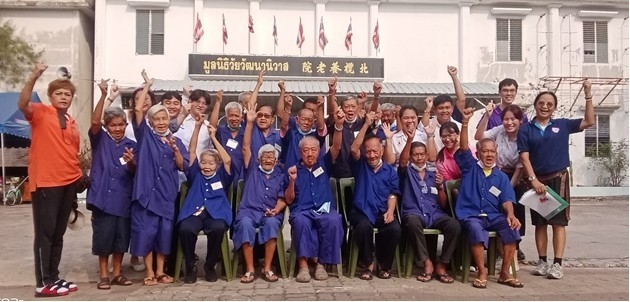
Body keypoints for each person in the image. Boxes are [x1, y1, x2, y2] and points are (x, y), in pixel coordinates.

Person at [518, 81, 595, 280]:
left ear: (554, 107)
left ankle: (558, 264)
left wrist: (588, 95)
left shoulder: (562, 125)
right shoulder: (526, 129)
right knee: (540, 223)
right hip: (537, 183)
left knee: (558, 223)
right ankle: (542, 262)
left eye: (549, 104)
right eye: (541, 103)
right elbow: (524, 157)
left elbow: (589, 121)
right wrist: (533, 181)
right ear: (535, 105)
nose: (545, 106)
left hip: (558, 179)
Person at [19, 63, 81, 297]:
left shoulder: (72, 121)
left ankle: (53, 277)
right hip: (46, 182)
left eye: (67, 94)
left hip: (68, 183)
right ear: (50, 96)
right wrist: (34, 75)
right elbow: (22, 103)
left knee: (58, 234)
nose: (63, 97)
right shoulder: (40, 112)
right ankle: (42, 283)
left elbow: (71, 154)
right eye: (59, 94)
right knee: (44, 234)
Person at [130, 70, 189, 286]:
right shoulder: (145, 136)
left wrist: (175, 150)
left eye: (165, 118)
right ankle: (148, 272)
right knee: (146, 233)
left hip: (166, 194)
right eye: (157, 119)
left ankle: (161, 271)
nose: (162, 122)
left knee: (164, 233)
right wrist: (147, 86)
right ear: (151, 121)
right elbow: (137, 109)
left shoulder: (176, 140)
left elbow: (183, 165)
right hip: (146, 194)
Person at [455, 107, 523, 289]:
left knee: (512, 228)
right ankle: (482, 271)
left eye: (492, 151)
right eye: (485, 151)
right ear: (478, 153)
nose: (489, 155)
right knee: (476, 229)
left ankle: (504, 272)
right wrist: (465, 122)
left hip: (493, 216)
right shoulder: (470, 167)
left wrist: (511, 215)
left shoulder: (500, 176)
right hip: (471, 215)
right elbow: (462, 147)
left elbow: (507, 198)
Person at [87, 79, 137, 290]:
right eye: (113, 125)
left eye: (121, 125)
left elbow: (135, 171)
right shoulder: (100, 140)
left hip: (123, 198)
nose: (117, 129)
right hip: (102, 199)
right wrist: (103, 96)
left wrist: (132, 162)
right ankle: (103, 275)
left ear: (126, 125)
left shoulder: (132, 145)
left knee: (120, 238)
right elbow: (95, 121)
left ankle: (117, 273)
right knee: (103, 238)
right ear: (107, 127)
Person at [398, 123, 460, 284]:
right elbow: (402, 161)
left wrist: (440, 187)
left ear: (426, 155)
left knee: (454, 225)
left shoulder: (434, 174)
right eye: (415, 155)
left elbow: (443, 203)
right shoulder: (406, 172)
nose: (419, 158)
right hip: (414, 212)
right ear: (411, 156)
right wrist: (410, 139)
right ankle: (426, 262)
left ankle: (442, 264)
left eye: (422, 154)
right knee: (411, 222)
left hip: (434, 214)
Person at [284, 118, 345, 283]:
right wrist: (292, 181)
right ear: (300, 152)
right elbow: (289, 200)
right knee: (301, 222)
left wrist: (338, 126)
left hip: (324, 210)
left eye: (313, 150)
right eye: (306, 150)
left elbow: (337, 147)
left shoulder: (324, 164)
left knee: (334, 220)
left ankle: (321, 264)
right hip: (302, 211)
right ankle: (303, 266)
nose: (310, 154)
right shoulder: (293, 170)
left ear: (318, 151)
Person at [232, 102, 287, 284]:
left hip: (269, 212)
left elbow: (282, 198)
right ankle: (249, 269)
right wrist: (249, 123)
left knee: (272, 224)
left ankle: (268, 268)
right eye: (265, 156)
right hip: (249, 210)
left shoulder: (280, 174)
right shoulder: (252, 168)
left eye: (272, 156)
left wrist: (277, 210)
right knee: (246, 225)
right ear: (259, 158)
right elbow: (246, 146)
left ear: (276, 159)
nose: (268, 159)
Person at [177, 115, 233, 284]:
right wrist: (197, 127)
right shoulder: (195, 174)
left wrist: (213, 138)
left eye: (210, 163)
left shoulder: (222, 176)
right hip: (194, 213)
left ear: (217, 165)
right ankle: (191, 265)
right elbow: (192, 151)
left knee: (217, 229)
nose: (206, 166)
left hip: (215, 214)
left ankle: (210, 265)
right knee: (186, 229)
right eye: (204, 163)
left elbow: (228, 159)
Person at [348, 112, 402, 280]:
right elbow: (353, 148)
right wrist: (366, 124)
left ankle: (384, 266)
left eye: (375, 151)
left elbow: (393, 194)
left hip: (381, 211)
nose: (371, 155)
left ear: (382, 150)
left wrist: (390, 211)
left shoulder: (389, 171)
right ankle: (368, 263)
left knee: (394, 229)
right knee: (363, 227)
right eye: (368, 151)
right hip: (361, 210)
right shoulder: (360, 165)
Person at [475, 103, 528, 261]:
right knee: (496, 210)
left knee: (513, 212)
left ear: (520, 120)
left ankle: (514, 249)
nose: (509, 123)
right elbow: (479, 137)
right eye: (506, 119)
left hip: (516, 176)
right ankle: (498, 252)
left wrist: (506, 191)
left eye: (513, 119)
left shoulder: (524, 136)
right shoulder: (499, 131)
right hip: (498, 173)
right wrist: (487, 115)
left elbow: (520, 168)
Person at [419, 66, 465, 151]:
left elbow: (462, 100)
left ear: (452, 109)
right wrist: (428, 107)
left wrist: (454, 76)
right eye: (441, 108)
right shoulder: (429, 125)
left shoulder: (459, 127)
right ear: (434, 110)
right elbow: (423, 126)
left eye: (447, 108)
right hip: (432, 163)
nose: (444, 111)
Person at [391, 99, 434, 165]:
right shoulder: (394, 138)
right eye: (406, 118)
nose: (410, 121)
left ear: (417, 118)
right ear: (400, 119)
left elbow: (431, 158)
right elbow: (397, 162)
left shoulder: (424, 136)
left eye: (413, 117)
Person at [174, 89, 213, 157]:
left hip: (201, 165)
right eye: (198, 101)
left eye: (204, 103)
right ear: (190, 101)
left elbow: (209, 148)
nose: (200, 105)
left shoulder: (207, 125)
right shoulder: (182, 120)